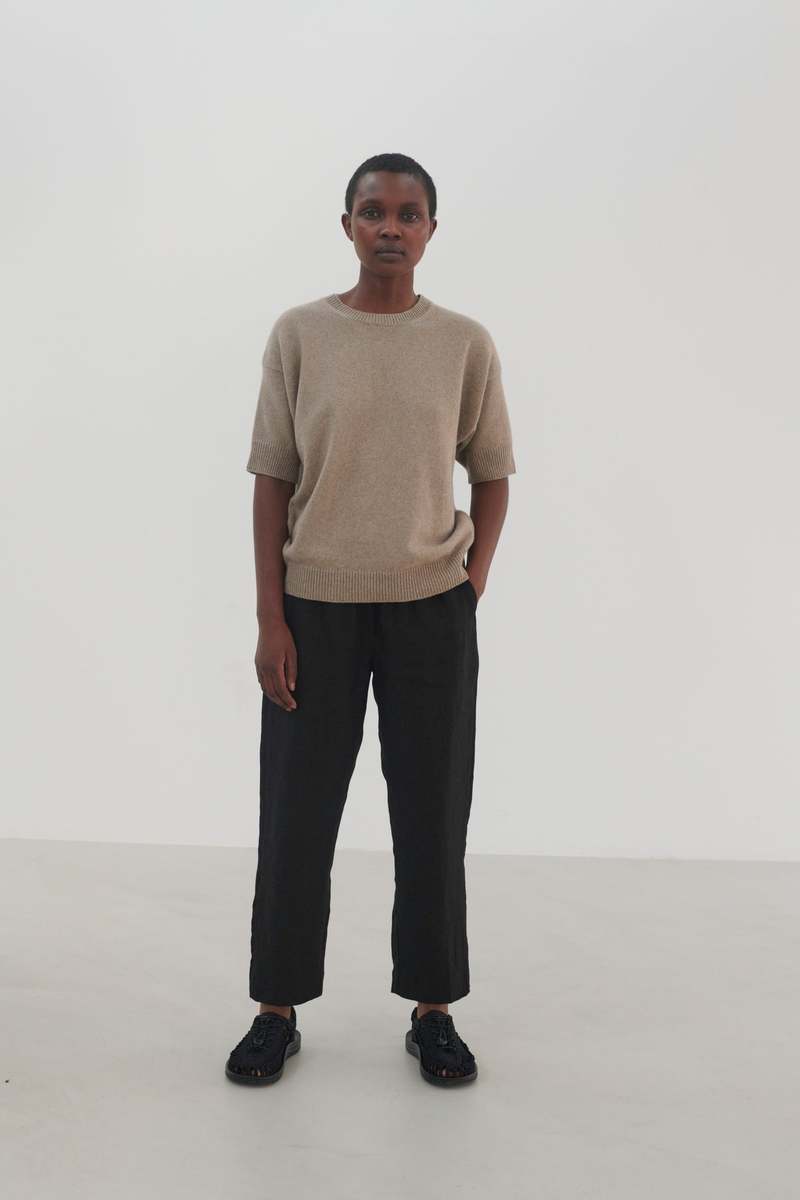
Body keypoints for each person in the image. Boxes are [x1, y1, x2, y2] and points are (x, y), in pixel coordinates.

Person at [225, 152, 516, 1088]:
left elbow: (493, 472)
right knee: (296, 814)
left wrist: (468, 585)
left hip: (432, 610)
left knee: (432, 812)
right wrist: (270, 617)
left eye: (408, 212)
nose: (390, 226)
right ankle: (276, 1009)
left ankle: (433, 1010)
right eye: (373, 211)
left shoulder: (463, 343)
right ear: (347, 224)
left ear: (431, 229)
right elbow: (271, 478)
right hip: (315, 609)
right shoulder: (300, 335)